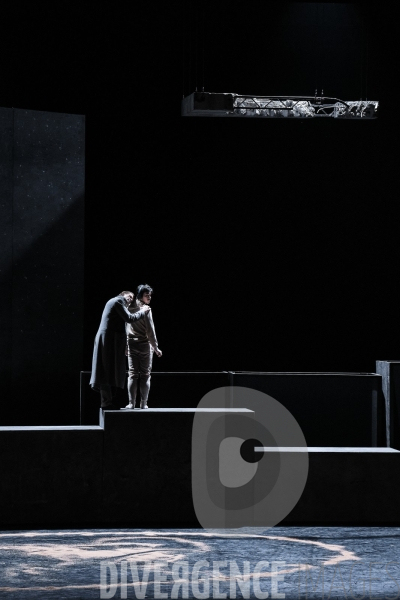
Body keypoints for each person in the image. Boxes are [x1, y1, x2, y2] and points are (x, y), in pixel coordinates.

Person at [90, 291, 151, 410]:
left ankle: (107, 402)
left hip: (109, 340)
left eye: (132, 298)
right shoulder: (118, 301)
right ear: (123, 294)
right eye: (130, 296)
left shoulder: (115, 302)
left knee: (107, 369)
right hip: (107, 340)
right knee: (106, 370)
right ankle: (106, 402)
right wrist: (143, 312)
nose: (130, 300)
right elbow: (129, 318)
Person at [123, 284, 162, 410]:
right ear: (140, 295)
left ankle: (131, 403)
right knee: (145, 374)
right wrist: (155, 347)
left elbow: (125, 327)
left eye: (150, 295)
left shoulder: (128, 307)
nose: (149, 297)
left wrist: (125, 345)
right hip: (144, 344)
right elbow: (151, 330)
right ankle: (143, 403)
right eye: (147, 295)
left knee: (132, 374)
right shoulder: (146, 309)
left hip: (131, 344)